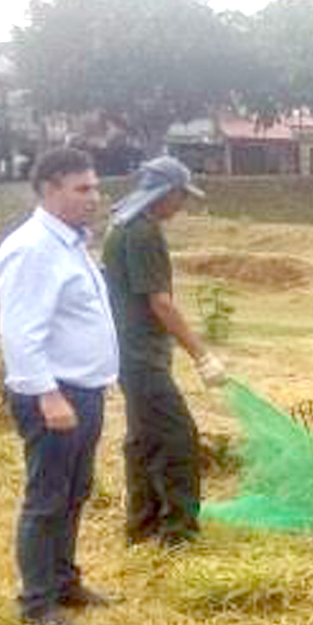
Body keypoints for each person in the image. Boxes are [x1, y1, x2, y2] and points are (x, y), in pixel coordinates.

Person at [0, 147, 119, 625]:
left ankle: (65, 582)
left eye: (94, 186)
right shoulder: (32, 249)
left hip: (83, 392)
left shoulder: (69, 244)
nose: (95, 197)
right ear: (49, 189)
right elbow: (21, 333)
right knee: (46, 499)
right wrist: (47, 395)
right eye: (82, 188)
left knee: (74, 492)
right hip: (55, 395)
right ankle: (36, 604)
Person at [102, 156, 226, 548]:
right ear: (166, 193)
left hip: (127, 350)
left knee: (143, 438)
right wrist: (202, 355)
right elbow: (161, 303)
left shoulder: (120, 226)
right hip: (141, 355)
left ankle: (142, 527)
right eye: (181, 197)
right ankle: (178, 534)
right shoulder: (142, 232)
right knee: (178, 438)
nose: (183, 205)